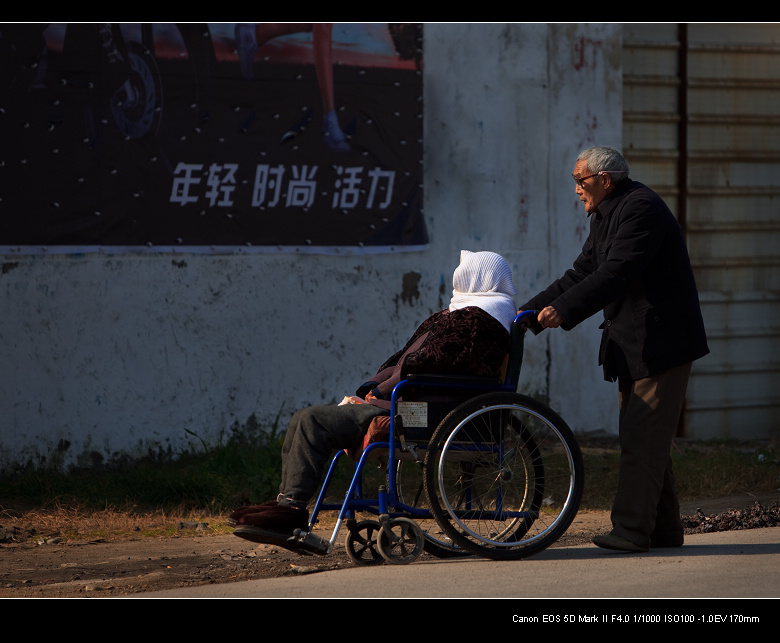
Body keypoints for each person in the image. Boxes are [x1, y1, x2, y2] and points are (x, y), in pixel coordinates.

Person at [230, 250, 519, 546]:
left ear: (475, 278)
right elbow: (407, 359)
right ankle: (287, 503)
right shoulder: (467, 315)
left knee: (310, 420)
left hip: (420, 407)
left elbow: (425, 365)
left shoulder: (477, 321)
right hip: (409, 398)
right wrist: (371, 388)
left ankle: (291, 510)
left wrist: (379, 392)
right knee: (300, 421)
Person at [518, 146, 709, 553]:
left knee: (642, 438)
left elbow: (616, 272)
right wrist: (529, 312)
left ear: (605, 180)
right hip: (633, 344)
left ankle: (630, 530)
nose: (576, 190)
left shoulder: (641, 209)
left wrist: (562, 311)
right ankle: (663, 530)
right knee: (645, 437)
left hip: (661, 345)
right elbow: (582, 272)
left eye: (580, 181)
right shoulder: (606, 215)